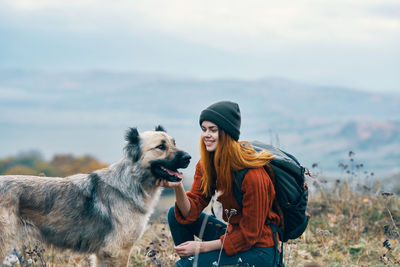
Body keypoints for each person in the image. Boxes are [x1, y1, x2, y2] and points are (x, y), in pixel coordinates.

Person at [157, 100, 282, 267]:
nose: (206, 135)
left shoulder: (253, 175)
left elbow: (249, 235)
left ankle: (190, 263)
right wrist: (178, 185)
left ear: (227, 133)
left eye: (213, 130)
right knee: (175, 214)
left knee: (183, 266)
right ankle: (190, 262)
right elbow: (191, 211)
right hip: (234, 235)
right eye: (204, 129)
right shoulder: (208, 165)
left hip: (260, 250)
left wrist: (201, 248)